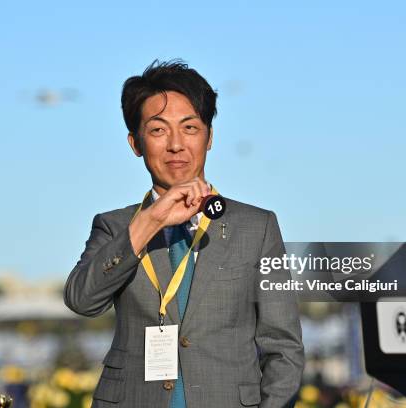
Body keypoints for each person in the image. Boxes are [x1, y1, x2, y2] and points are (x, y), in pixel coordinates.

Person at [64, 60, 305, 408]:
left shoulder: (257, 227)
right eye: (158, 130)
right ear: (135, 143)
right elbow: (81, 300)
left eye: (189, 127)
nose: (176, 145)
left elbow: (283, 346)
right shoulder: (115, 226)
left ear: (209, 137)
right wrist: (150, 221)